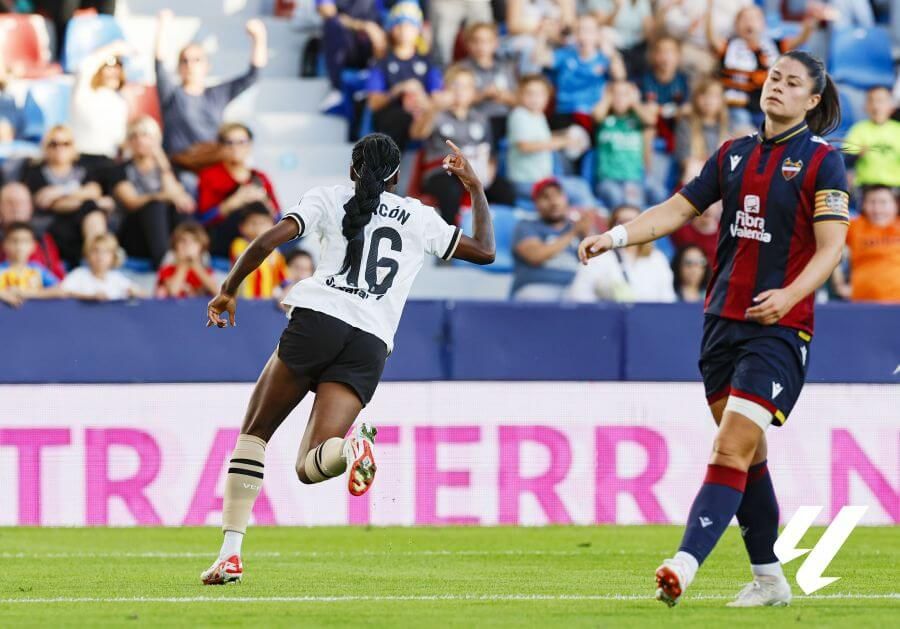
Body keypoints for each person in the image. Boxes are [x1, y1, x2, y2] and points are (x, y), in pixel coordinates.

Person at [579, 50, 848, 608]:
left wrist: (792, 295)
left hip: (780, 329)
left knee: (729, 446)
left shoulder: (822, 162)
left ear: (812, 100)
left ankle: (684, 563)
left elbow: (831, 249)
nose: (777, 87)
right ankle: (770, 579)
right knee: (747, 456)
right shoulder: (733, 155)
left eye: (792, 82)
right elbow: (677, 210)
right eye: (773, 77)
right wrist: (617, 236)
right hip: (720, 326)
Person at [199, 133, 496, 585]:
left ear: (353, 169)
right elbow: (486, 251)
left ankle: (231, 553)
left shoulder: (329, 198)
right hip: (371, 342)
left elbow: (266, 241)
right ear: (396, 177)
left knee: (255, 434)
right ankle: (351, 447)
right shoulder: (419, 216)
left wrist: (228, 289)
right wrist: (474, 189)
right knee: (312, 463)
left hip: (319, 321)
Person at [154, 9, 268, 171]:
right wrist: (163, 26)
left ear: (207, 66)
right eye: (185, 61)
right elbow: (159, 64)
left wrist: (259, 37)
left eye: (197, 60)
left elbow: (252, 76)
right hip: (180, 168)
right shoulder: (171, 95)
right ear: (179, 67)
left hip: (212, 165)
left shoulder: (217, 94)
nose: (190, 65)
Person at [412, 64, 514, 224]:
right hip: (443, 172)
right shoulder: (437, 114)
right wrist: (433, 108)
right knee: (451, 191)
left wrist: (488, 173)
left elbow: (490, 153)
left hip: (476, 171)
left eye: (466, 87)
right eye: (455, 85)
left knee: (506, 191)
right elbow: (417, 134)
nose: (460, 91)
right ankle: (452, 242)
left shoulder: (481, 118)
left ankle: (498, 240)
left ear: (474, 92)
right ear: (446, 88)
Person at [708, 3, 816, 128]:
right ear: (736, 26)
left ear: (763, 24)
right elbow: (711, 38)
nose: (749, 22)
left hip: (766, 106)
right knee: (743, 128)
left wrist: (808, 27)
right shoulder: (729, 46)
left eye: (754, 19)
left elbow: (799, 40)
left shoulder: (774, 45)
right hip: (737, 106)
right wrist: (709, 11)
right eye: (744, 19)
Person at [21, 125, 115, 269]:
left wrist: (59, 191)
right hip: (52, 228)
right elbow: (52, 204)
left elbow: (94, 190)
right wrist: (93, 201)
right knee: (92, 209)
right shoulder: (35, 171)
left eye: (66, 143)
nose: (60, 148)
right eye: (54, 143)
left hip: (83, 223)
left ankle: (98, 266)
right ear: (46, 146)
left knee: (93, 214)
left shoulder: (82, 168)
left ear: (73, 146)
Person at [111, 116, 196, 268]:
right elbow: (131, 202)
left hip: (165, 231)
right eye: (134, 136)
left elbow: (176, 197)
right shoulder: (120, 170)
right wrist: (158, 196)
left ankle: (190, 257)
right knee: (154, 205)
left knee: (181, 207)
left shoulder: (167, 168)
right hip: (135, 233)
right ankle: (164, 263)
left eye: (145, 135)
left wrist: (161, 161)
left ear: (156, 139)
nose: (139, 140)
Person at [506, 74, 600, 208]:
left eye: (540, 94)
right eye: (529, 94)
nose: (535, 99)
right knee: (580, 191)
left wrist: (564, 134)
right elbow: (525, 146)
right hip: (526, 182)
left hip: (543, 179)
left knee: (580, 185)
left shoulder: (538, 115)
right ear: (520, 95)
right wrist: (564, 141)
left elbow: (543, 139)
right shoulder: (519, 115)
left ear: (547, 97)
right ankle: (593, 224)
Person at [366, 2, 444, 152]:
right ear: (391, 29)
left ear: (418, 29)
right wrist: (398, 90)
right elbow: (373, 103)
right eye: (399, 24)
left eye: (410, 25)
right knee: (398, 118)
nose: (404, 30)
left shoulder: (428, 62)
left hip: (422, 113)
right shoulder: (381, 63)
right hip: (393, 117)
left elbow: (437, 97)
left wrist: (421, 97)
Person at [197, 123, 280, 257]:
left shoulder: (260, 177)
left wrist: (263, 201)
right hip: (225, 238)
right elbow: (202, 220)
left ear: (249, 146)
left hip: (259, 235)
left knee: (295, 227)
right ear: (221, 147)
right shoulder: (210, 175)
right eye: (229, 143)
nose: (235, 147)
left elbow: (277, 216)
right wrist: (234, 201)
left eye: (241, 142)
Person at [533, 13, 626, 129]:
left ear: (598, 35)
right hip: (565, 113)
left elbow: (620, 76)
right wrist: (542, 34)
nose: (584, 35)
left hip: (592, 115)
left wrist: (611, 53)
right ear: (575, 35)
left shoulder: (604, 58)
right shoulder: (566, 54)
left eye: (589, 30)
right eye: (580, 30)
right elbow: (538, 58)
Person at [569, 204, 675, 302]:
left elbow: (667, 298)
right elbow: (579, 294)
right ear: (612, 227)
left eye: (634, 221)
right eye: (622, 222)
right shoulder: (598, 257)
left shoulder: (657, 258)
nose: (627, 227)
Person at [511, 177, 593, 300]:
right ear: (536, 203)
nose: (554, 202)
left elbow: (595, 266)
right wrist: (573, 233)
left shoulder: (577, 228)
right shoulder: (526, 225)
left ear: (565, 199)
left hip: (574, 288)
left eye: (558, 195)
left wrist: (587, 233)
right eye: (545, 197)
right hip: (536, 287)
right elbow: (535, 256)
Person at [593, 80, 660, 209]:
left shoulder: (636, 119)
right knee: (616, 198)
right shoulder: (604, 120)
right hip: (607, 179)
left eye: (625, 94)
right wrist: (606, 98)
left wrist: (634, 102)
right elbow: (596, 115)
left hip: (632, 178)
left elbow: (651, 120)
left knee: (633, 204)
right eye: (615, 94)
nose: (619, 98)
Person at [831, 185, 900, 303]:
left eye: (883, 203)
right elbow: (830, 248)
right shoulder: (855, 226)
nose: (877, 209)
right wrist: (839, 284)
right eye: (872, 202)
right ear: (863, 205)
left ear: (896, 205)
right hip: (862, 302)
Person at [69, 40, 131, 170]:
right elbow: (85, 67)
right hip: (83, 158)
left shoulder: (120, 102)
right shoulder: (85, 93)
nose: (114, 70)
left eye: (118, 65)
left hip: (110, 160)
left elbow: (120, 140)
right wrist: (113, 49)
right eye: (109, 65)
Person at [316, 0, 387, 112]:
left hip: (373, 36)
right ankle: (337, 89)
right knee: (333, 25)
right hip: (347, 38)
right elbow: (327, 11)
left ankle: (377, 82)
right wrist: (363, 26)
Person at [458, 22, 519, 146]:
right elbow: (455, 100)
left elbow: (519, 100)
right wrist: (482, 95)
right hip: (474, 122)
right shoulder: (461, 69)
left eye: (487, 41)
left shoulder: (506, 67)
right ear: (467, 44)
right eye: (476, 41)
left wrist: (503, 96)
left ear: (495, 43)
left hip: (506, 120)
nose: (481, 46)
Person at [0, 182, 65, 279]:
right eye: (10, 203)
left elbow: (58, 280)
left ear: (30, 207)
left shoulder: (43, 240)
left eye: (21, 203)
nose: (16, 207)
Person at [674, 78, 730, 182]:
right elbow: (684, 159)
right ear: (695, 98)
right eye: (703, 95)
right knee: (693, 168)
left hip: (719, 178)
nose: (708, 100)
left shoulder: (728, 127)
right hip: (695, 178)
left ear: (722, 100)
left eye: (713, 96)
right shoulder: (686, 124)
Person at [844, 86, 900, 188]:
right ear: (865, 106)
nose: (876, 106)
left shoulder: (898, 130)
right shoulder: (858, 130)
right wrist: (857, 155)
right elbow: (846, 161)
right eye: (871, 101)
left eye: (881, 101)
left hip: (895, 187)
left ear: (891, 106)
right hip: (866, 185)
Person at [229, 205, 287, 299]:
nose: (258, 227)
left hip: (267, 304)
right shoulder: (238, 244)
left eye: (263, 223)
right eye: (253, 223)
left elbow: (284, 281)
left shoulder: (277, 254)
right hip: (244, 301)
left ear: (272, 225)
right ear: (242, 228)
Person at [61, 232, 141, 300]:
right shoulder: (78, 274)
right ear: (87, 254)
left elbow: (140, 293)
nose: (100, 256)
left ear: (113, 257)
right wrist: (90, 297)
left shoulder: (117, 278)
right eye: (95, 251)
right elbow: (63, 292)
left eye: (106, 252)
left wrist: (134, 292)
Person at [0, 222, 63, 307]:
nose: (19, 246)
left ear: (33, 246)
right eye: (14, 241)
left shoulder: (37, 270)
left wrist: (26, 293)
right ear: (4, 244)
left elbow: (59, 290)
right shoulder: (1, 270)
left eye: (25, 241)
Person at [589, 0, 653, 78]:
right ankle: (618, 77)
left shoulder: (641, 2)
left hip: (637, 43)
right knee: (605, 32)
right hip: (614, 44)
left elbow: (648, 28)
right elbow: (601, 26)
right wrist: (616, 9)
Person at [155, 221, 218, 299]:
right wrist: (184, 265)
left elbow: (216, 292)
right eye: (183, 241)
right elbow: (173, 292)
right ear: (175, 247)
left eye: (194, 241)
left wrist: (195, 265)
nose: (188, 245)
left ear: (201, 248)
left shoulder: (207, 272)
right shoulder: (166, 270)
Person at [429, 0, 494, 65]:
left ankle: (485, 70)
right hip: (447, 3)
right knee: (442, 45)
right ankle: (445, 71)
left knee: (484, 37)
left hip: (477, 2)